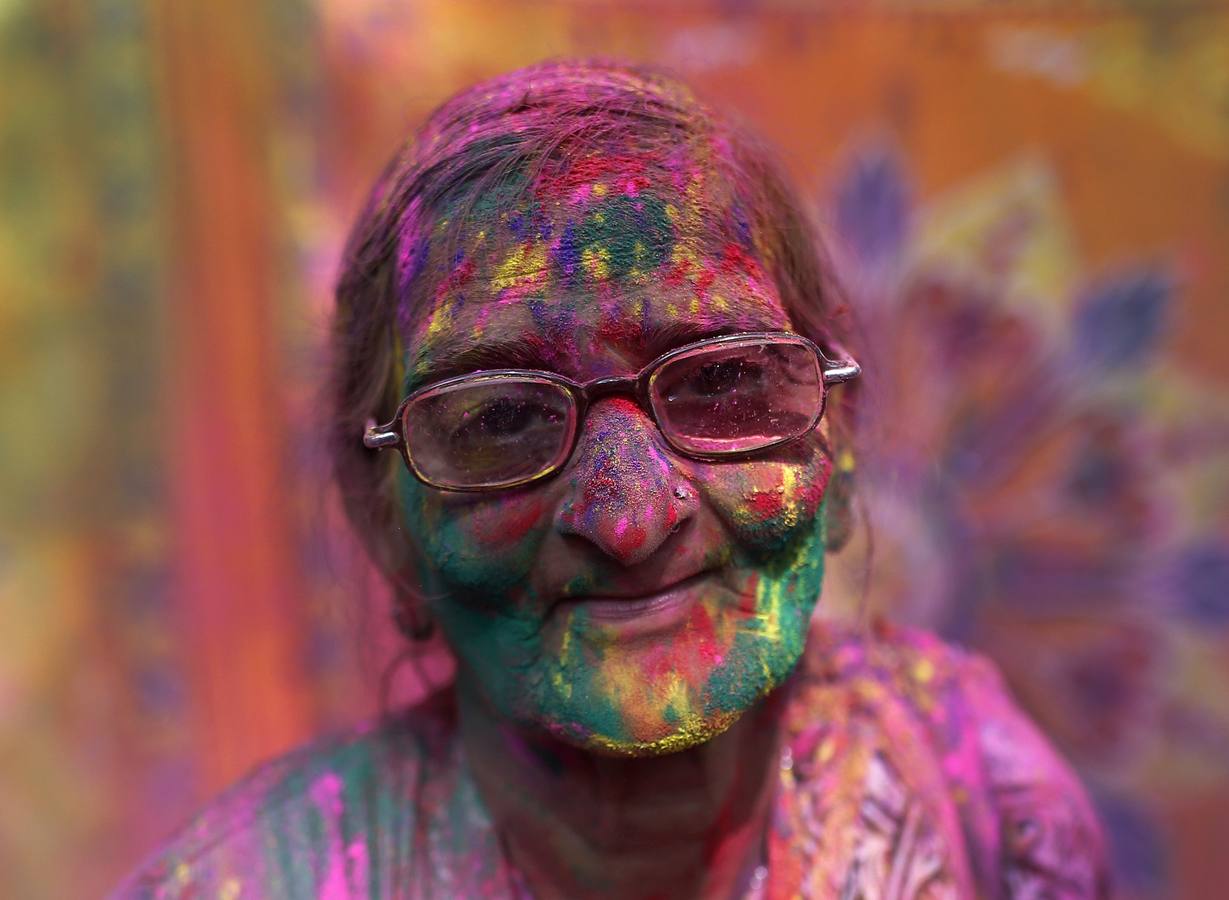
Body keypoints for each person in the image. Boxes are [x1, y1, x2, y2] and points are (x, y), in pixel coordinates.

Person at [119, 60, 1109, 899]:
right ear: (384, 518)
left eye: (722, 382)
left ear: (835, 444)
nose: (631, 519)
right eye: (502, 419)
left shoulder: (975, 794)